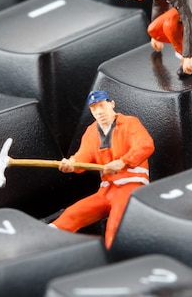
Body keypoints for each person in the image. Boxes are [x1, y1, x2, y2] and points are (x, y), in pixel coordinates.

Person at [51, 90, 155, 248]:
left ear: (111, 104)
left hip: (131, 187)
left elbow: (145, 145)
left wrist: (122, 162)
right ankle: (44, 238)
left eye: (101, 106)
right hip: (107, 189)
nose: (98, 111)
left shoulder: (129, 123)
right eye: (93, 108)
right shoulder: (91, 132)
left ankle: (113, 259)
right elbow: (83, 155)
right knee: (73, 213)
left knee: (115, 226)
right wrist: (72, 164)